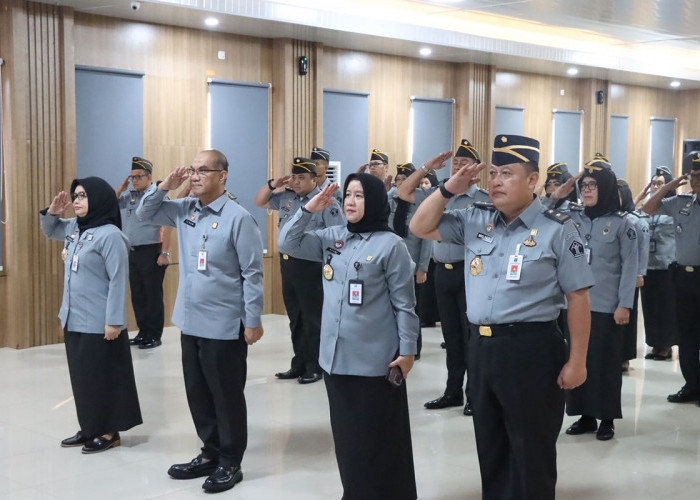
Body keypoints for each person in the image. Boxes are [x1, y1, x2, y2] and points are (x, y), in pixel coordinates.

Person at [410, 135, 594, 500]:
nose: (495, 180)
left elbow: (578, 297)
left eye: (506, 173)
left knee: (531, 452)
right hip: (480, 346)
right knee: (491, 448)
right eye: (492, 172)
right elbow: (420, 226)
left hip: (531, 349)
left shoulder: (559, 228)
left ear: (532, 180)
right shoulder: (475, 218)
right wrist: (448, 188)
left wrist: (577, 361)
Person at [279, 173, 419, 500]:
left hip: (374, 364)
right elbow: (287, 243)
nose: (351, 202)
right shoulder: (333, 237)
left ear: (374, 201)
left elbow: (405, 304)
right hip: (334, 361)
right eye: (347, 195)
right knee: (348, 440)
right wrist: (310, 208)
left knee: (378, 441)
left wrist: (408, 351)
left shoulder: (392, 245)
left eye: (359, 195)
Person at [136, 150, 264, 493]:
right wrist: (165, 186)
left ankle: (230, 461)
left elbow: (253, 274)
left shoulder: (239, 218)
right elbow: (143, 213)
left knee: (226, 395)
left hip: (224, 323)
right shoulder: (185, 210)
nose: (195, 176)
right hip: (190, 320)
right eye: (192, 170)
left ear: (222, 176)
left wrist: (252, 320)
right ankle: (209, 452)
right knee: (198, 394)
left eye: (202, 170)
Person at [40, 177, 142, 454]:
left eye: (83, 196)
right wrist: (52, 212)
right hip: (74, 317)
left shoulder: (111, 235)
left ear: (99, 199)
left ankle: (109, 431)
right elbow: (50, 231)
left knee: (104, 377)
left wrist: (114, 321)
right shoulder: (76, 228)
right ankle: (90, 427)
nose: (76, 201)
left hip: (100, 322)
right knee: (83, 378)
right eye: (75, 195)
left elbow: (119, 280)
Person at [397, 139, 489, 416]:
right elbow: (403, 192)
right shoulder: (439, 194)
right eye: (455, 163)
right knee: (451, 335)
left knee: (470, 336)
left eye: (465, 164)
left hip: (470, 274)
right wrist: (426, 167)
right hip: (443, 273)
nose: (458, 167)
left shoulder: (483, 199)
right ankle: (452, 391)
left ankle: (474, 394)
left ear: (476, 170)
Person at [563, 158, 638, 441]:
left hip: (607, 307)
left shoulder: (622, 224)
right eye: (584, 185)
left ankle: (606, 418)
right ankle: (584, 415)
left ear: (605, 188)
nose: (587, 190)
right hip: (576, 305)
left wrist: (625, 304)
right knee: (578, 359)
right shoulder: (574, 219)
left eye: (593, 185)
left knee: (605, 365)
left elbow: (630, 266)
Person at [255, 157, 344, 384]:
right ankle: (299, 363)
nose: (296, 182)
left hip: (312, 266)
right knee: (296, 318)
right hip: (289, 264)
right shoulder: (287, 197)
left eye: (302, 178)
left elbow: (337, 236)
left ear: (315, 179)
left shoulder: (326, 201)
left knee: (313, 319)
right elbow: (259, 201)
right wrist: (273, 184)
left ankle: (316, 366)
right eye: (294, 177)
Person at [643, 152, 700, 405]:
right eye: (693, 175)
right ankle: (692, 385)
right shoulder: (681, 202)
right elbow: (648, 208)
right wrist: (667, 186)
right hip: (684, 279)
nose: (697, 179)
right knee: (686, 335)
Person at [115, 157, 172, 349]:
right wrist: (121, 189)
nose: (135, 181)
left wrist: (165, 253)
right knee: (138, 295)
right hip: (132, 252)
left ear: (149, 177)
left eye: (139, 176)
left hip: (151, 251)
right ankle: (143, 332)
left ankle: (154, 335)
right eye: (132, 177)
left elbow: (169, 225)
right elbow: (110, 204)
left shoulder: (158, 196)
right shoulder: (130, 196)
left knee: (152, 295)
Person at [389, 162, 433, 347]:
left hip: (413, 261)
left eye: (405, 179)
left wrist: (422, 268)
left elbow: (427, 238)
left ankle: (414, 346)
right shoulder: (391, 200)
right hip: (392, 262)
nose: (400, 182)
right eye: (398, 179)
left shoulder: (422, 203)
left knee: (411, 307)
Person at [639, 167, 678, 360]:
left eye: (660, 184)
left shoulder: (674, 207)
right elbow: (634, 215)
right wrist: (641, 195)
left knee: (666, 307)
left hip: (667, 265)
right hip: (648, 266)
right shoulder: (648, 208)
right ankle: (654, 344)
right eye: (654, 183)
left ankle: (666, 346)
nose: (656, 186)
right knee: (650, 307)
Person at [618, 178, 650, 371]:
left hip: (630, 276)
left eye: (619, 194)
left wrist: (640, 273)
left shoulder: (636, 220)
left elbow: (643, 248)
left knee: (628, 318)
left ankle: (625, 357)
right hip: (611, 276)